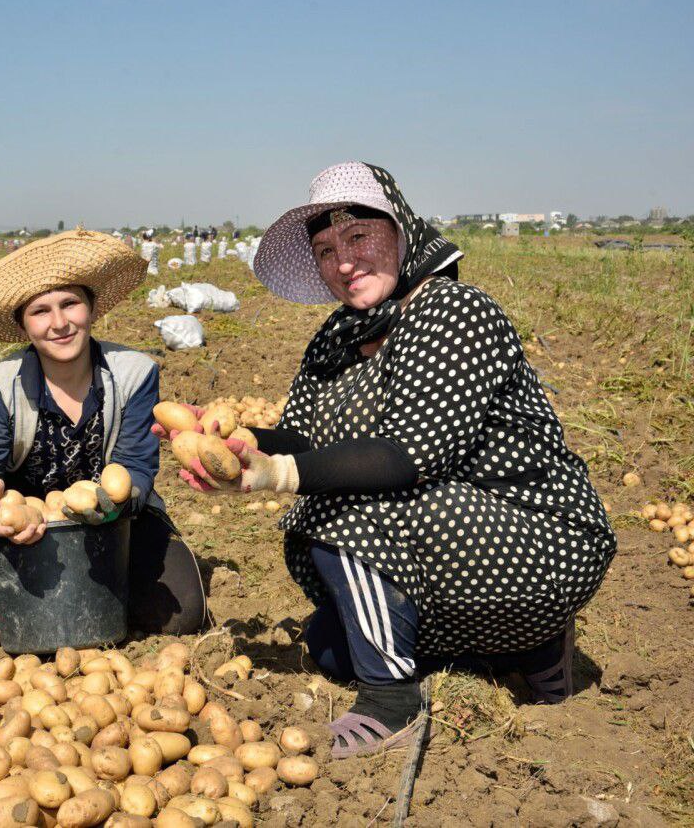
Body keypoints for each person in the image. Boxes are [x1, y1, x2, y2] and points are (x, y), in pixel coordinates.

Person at [160, 162, 615, 758]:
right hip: (441, 542)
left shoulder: (453, 312)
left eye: (358, 238)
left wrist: (280, 476)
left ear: (400, 231)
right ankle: (516, 649)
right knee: (327, 645)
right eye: (324, 250)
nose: (342, 263)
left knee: (338, 502)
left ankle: (392, 698)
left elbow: (406, 456)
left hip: (532, 536)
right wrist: (248, 444)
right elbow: (304, 436)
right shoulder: (338, 336)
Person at [0, 228, 206, 652]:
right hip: (25, 530)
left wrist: (113, 504)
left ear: (90, 307)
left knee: (183, 615)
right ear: (22, 324)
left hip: (117, 521)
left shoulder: (135, 373)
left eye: (70, 303)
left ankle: (98, 590)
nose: (59, 323)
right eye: (40, 311)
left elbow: (137, 469)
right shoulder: (0, 384)